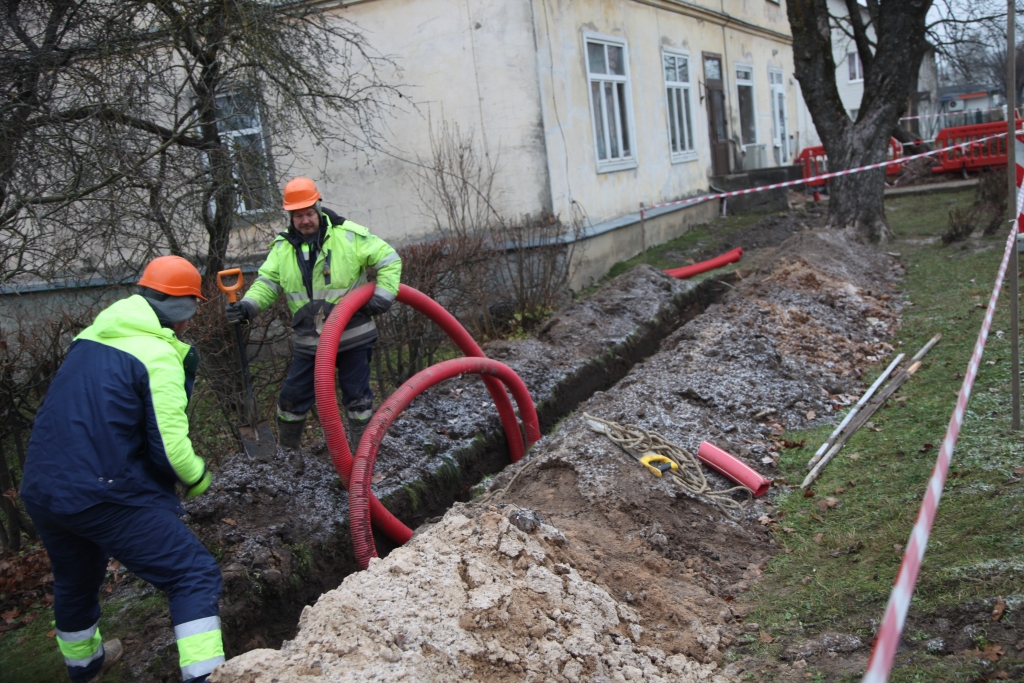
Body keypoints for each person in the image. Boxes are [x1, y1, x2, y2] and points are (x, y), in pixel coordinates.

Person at [20, 256, 224, 683]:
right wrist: (198, 478)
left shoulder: (91, 337)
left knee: (76, 580)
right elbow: (170, 450)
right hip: (103, 492)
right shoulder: (157, 354)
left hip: (44, 490)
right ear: (186, 310)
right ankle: (207, 676)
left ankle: (85, 668)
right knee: (192, 573)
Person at [226, 177, 402, 449]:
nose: (305, 220)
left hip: (352, 336)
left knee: (358, 401)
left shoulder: (348, 235)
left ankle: (363, 459)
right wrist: (248, 306)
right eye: (298, 216)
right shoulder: (283, 248)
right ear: (290, 217)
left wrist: (382, 297)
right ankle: (288, 457)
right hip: (310, 341)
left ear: (318, 208)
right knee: (291, 401)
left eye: (309, 213)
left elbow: (389, 260)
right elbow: (267, 283)